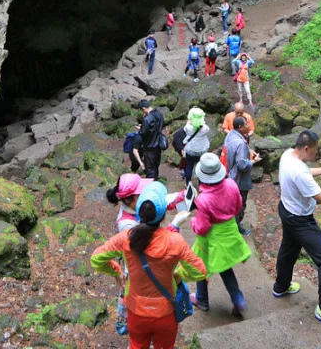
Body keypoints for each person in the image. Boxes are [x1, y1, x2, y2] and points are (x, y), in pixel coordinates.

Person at [92, 183, 207, 349]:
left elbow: (96, 259)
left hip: (136, 310)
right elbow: (199, 271)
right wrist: (179, 274)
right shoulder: (175, 241)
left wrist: (116, 270)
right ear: (163, 217)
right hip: (165, 311)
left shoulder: (126, 238)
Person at [273, 130, 321, 333]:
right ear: (306, 148)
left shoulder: (288, 154)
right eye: (315, 150)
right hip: (300, 220)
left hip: (286, 209)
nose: (317, 154)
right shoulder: (299, 171)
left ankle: (281, 286)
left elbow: (305, 172)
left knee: (288, 248)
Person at [189, 153, 251, 316]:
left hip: (211, 237)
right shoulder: (231, 184)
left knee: (201, 264)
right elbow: (238, 207)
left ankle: (202, 298)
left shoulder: (203, 200)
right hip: (229, 229)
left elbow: (202, 228)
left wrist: (193, 223)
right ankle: (238, 299)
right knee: (225, 267)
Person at [224, 115, 259, 235]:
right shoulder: (240, 143)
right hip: (239, 180)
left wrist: (248, 151)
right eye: (246, 124)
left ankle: (233, 224)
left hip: (230, 175)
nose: (249, 126)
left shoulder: (230, 135)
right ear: (240, 127)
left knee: (232, 203)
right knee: (240, 205)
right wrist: (253, 162)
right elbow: (242, 165)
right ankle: (237, 228)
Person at [181, 107, 210, 184]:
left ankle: (188, 183)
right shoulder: (205, 128)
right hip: (202, 150)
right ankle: (201, 184)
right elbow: (207, 128)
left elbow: (184, 129)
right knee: (200, 167)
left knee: (189, 166)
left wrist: (189, 122)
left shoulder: (188, 127)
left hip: (191, 149)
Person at [139, 101, 165, 180]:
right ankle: (156, 181)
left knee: (150, 168)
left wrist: (141, 128)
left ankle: (150, 186)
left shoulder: (147, 118)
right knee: (156, 166)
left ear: (144, 108)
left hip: (150, 146)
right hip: (158, 144)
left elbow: (143, 133)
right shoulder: (159, 114)